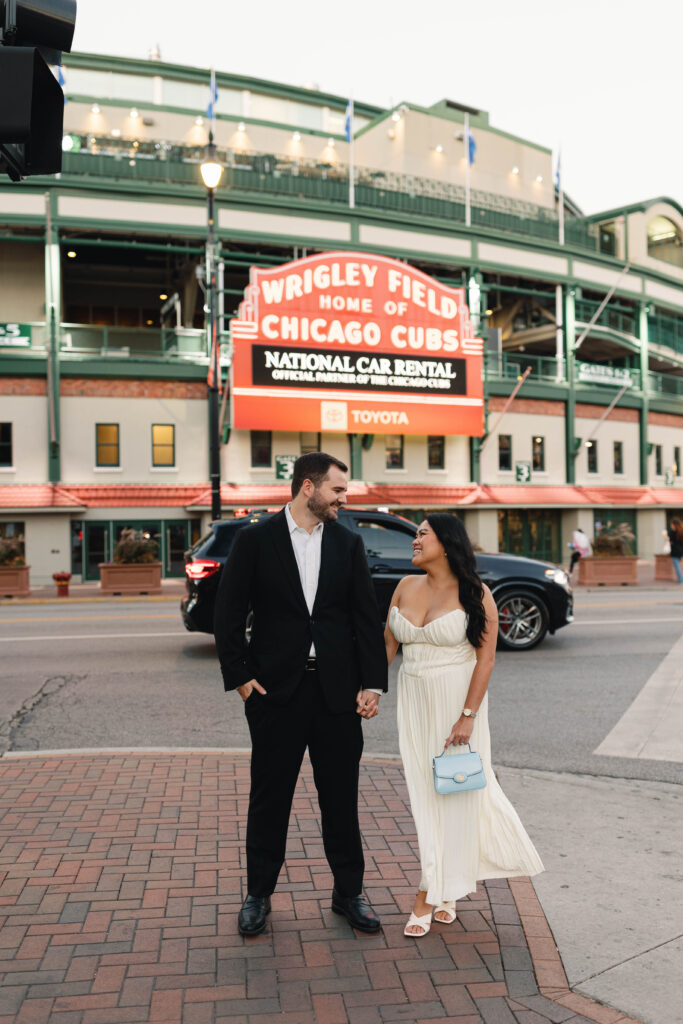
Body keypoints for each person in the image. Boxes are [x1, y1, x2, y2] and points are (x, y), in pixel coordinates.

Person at [214, 452, 388, 937]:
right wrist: (242, 678)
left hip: (336, 694)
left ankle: (348, 893)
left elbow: (362, 618)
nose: (344, 498)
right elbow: (228, 614)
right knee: (270, 797)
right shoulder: (255, 540)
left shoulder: (348, 543)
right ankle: (258, 895)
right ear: (308, 488)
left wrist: (372, 683)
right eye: (337, 490)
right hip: (275, 694)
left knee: (341, 797)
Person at [384, 513, 544, 937]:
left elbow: (486, 658)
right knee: (425, 796)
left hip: (456, 703)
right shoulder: (405, 587)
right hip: (414, 701)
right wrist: (369, 689)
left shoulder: (477, 593)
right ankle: (448, 886)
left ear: (446, 542)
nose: (415, 540)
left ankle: (428, 892)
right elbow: (387, 644)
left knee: (452, 795)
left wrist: (467, 717)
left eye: (422, 534)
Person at [667, 517, 683, 583]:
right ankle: (679, 578)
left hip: (674, 551)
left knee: (677, 566)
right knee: (678, 565)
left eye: (672, 524)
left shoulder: (673, 532)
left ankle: (680, 579)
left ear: (674, 524)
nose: (671, 526)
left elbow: (671, 541)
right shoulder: (681, 532)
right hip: (681, 551)